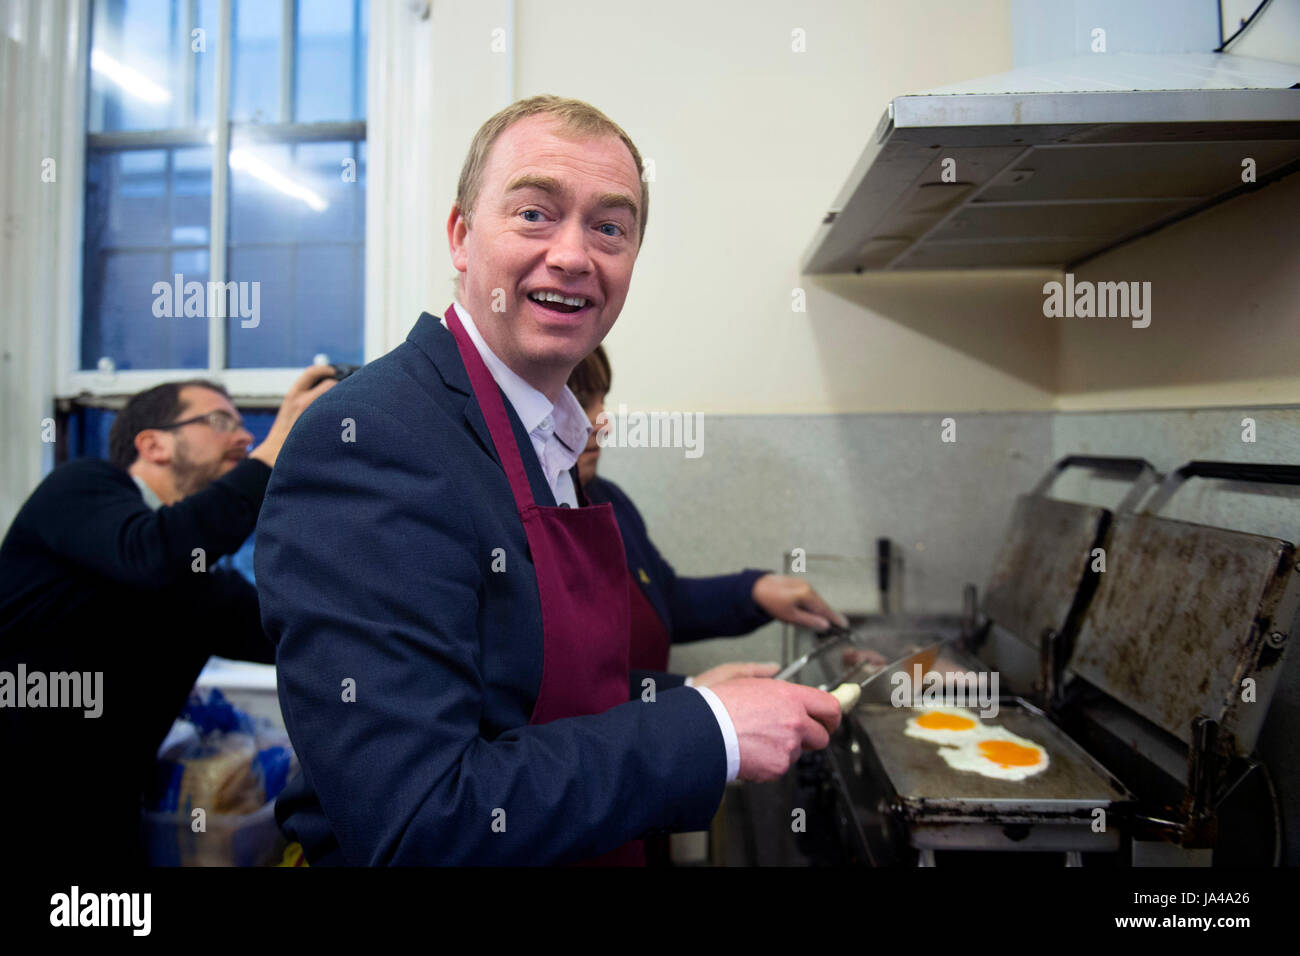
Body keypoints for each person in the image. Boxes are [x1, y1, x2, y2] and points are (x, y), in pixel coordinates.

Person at [254, 95, 842, 866]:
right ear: (462, 237)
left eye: (610, 227)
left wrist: (682, 700)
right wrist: (710, 731)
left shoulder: (544, 434)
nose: (573, 255)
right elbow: (420, 822)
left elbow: (522, 705)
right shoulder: (374, 440)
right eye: (535, 213)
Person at [0, 368, 335, 864]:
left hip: (101, 827)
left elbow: (299, 635)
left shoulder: (195, 585)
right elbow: (152, 553)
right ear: (153, 444)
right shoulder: (80, 490)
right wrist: (272, 449)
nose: (244, 436)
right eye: (221, 421)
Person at [569, 346, 849, 674]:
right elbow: (567, 689)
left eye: (603, 400)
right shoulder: (517, 522)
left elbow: (664, 600)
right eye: (580, 403)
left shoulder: (606, 499)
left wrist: (754, 591)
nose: (603, 424)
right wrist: (691, 695)